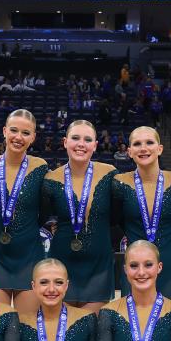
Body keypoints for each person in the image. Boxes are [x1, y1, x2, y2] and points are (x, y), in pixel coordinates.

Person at [0, 109, 48, 315]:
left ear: (33, 137)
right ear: (4, 131)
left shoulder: (40, 167)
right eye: (14, 131)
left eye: (26, 133)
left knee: (27, 327)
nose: (19, 137)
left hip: (29, 255)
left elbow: (44, 212)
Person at [42, 120, 117, 311]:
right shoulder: (51, 178)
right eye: (75, 138)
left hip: (98, 265)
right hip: (61, 263)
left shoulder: (110, 175)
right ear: (65, 142)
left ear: (95, 145)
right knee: (64, 332)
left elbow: (121, 217)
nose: (81, 144)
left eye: (87, 139)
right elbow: (39, 216)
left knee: (91, 331)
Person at [114, 126, 171, 303]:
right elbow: (115, 221)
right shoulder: (119, 182)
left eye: (149, 142)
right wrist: (137, 240)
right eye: (137, 144)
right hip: (135, 265)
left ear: (159, 148)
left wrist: (165, 240)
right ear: (130, 151)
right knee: (133, 323)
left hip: (170, 263)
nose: (143, 148)